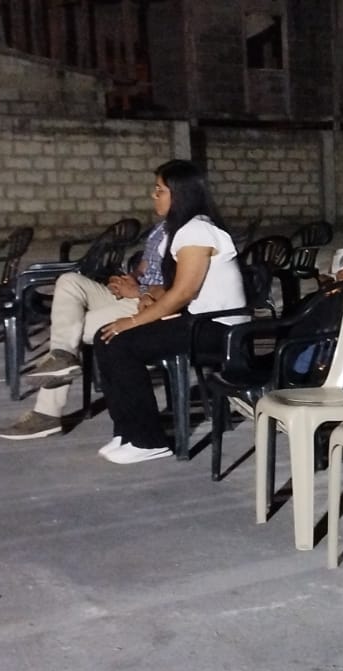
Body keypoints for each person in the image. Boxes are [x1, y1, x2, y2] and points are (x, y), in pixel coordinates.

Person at [92, 160, 247, 464]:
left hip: (220, 329)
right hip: (198, 321)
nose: (154, 196)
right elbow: (171, 287)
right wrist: (147, 296)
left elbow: (183, 292)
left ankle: (149, 441)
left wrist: (133, 320)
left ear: (180, 194)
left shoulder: (197, 231)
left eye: (160, 190)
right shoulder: (182, 231)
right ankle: (127, 431)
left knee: (122, 342)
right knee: (106, 337)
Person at [0, 222, 168, 439]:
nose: (155, 201)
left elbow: (182, 287)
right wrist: (128, 279)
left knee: (69, 328)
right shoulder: (161, 227)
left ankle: (47, 413)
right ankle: (62, 358)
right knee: (69, 281)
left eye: (161, 197)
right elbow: (144, 268)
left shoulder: (191, 230)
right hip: (132, 294)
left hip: (152, 304)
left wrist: (139, 291)